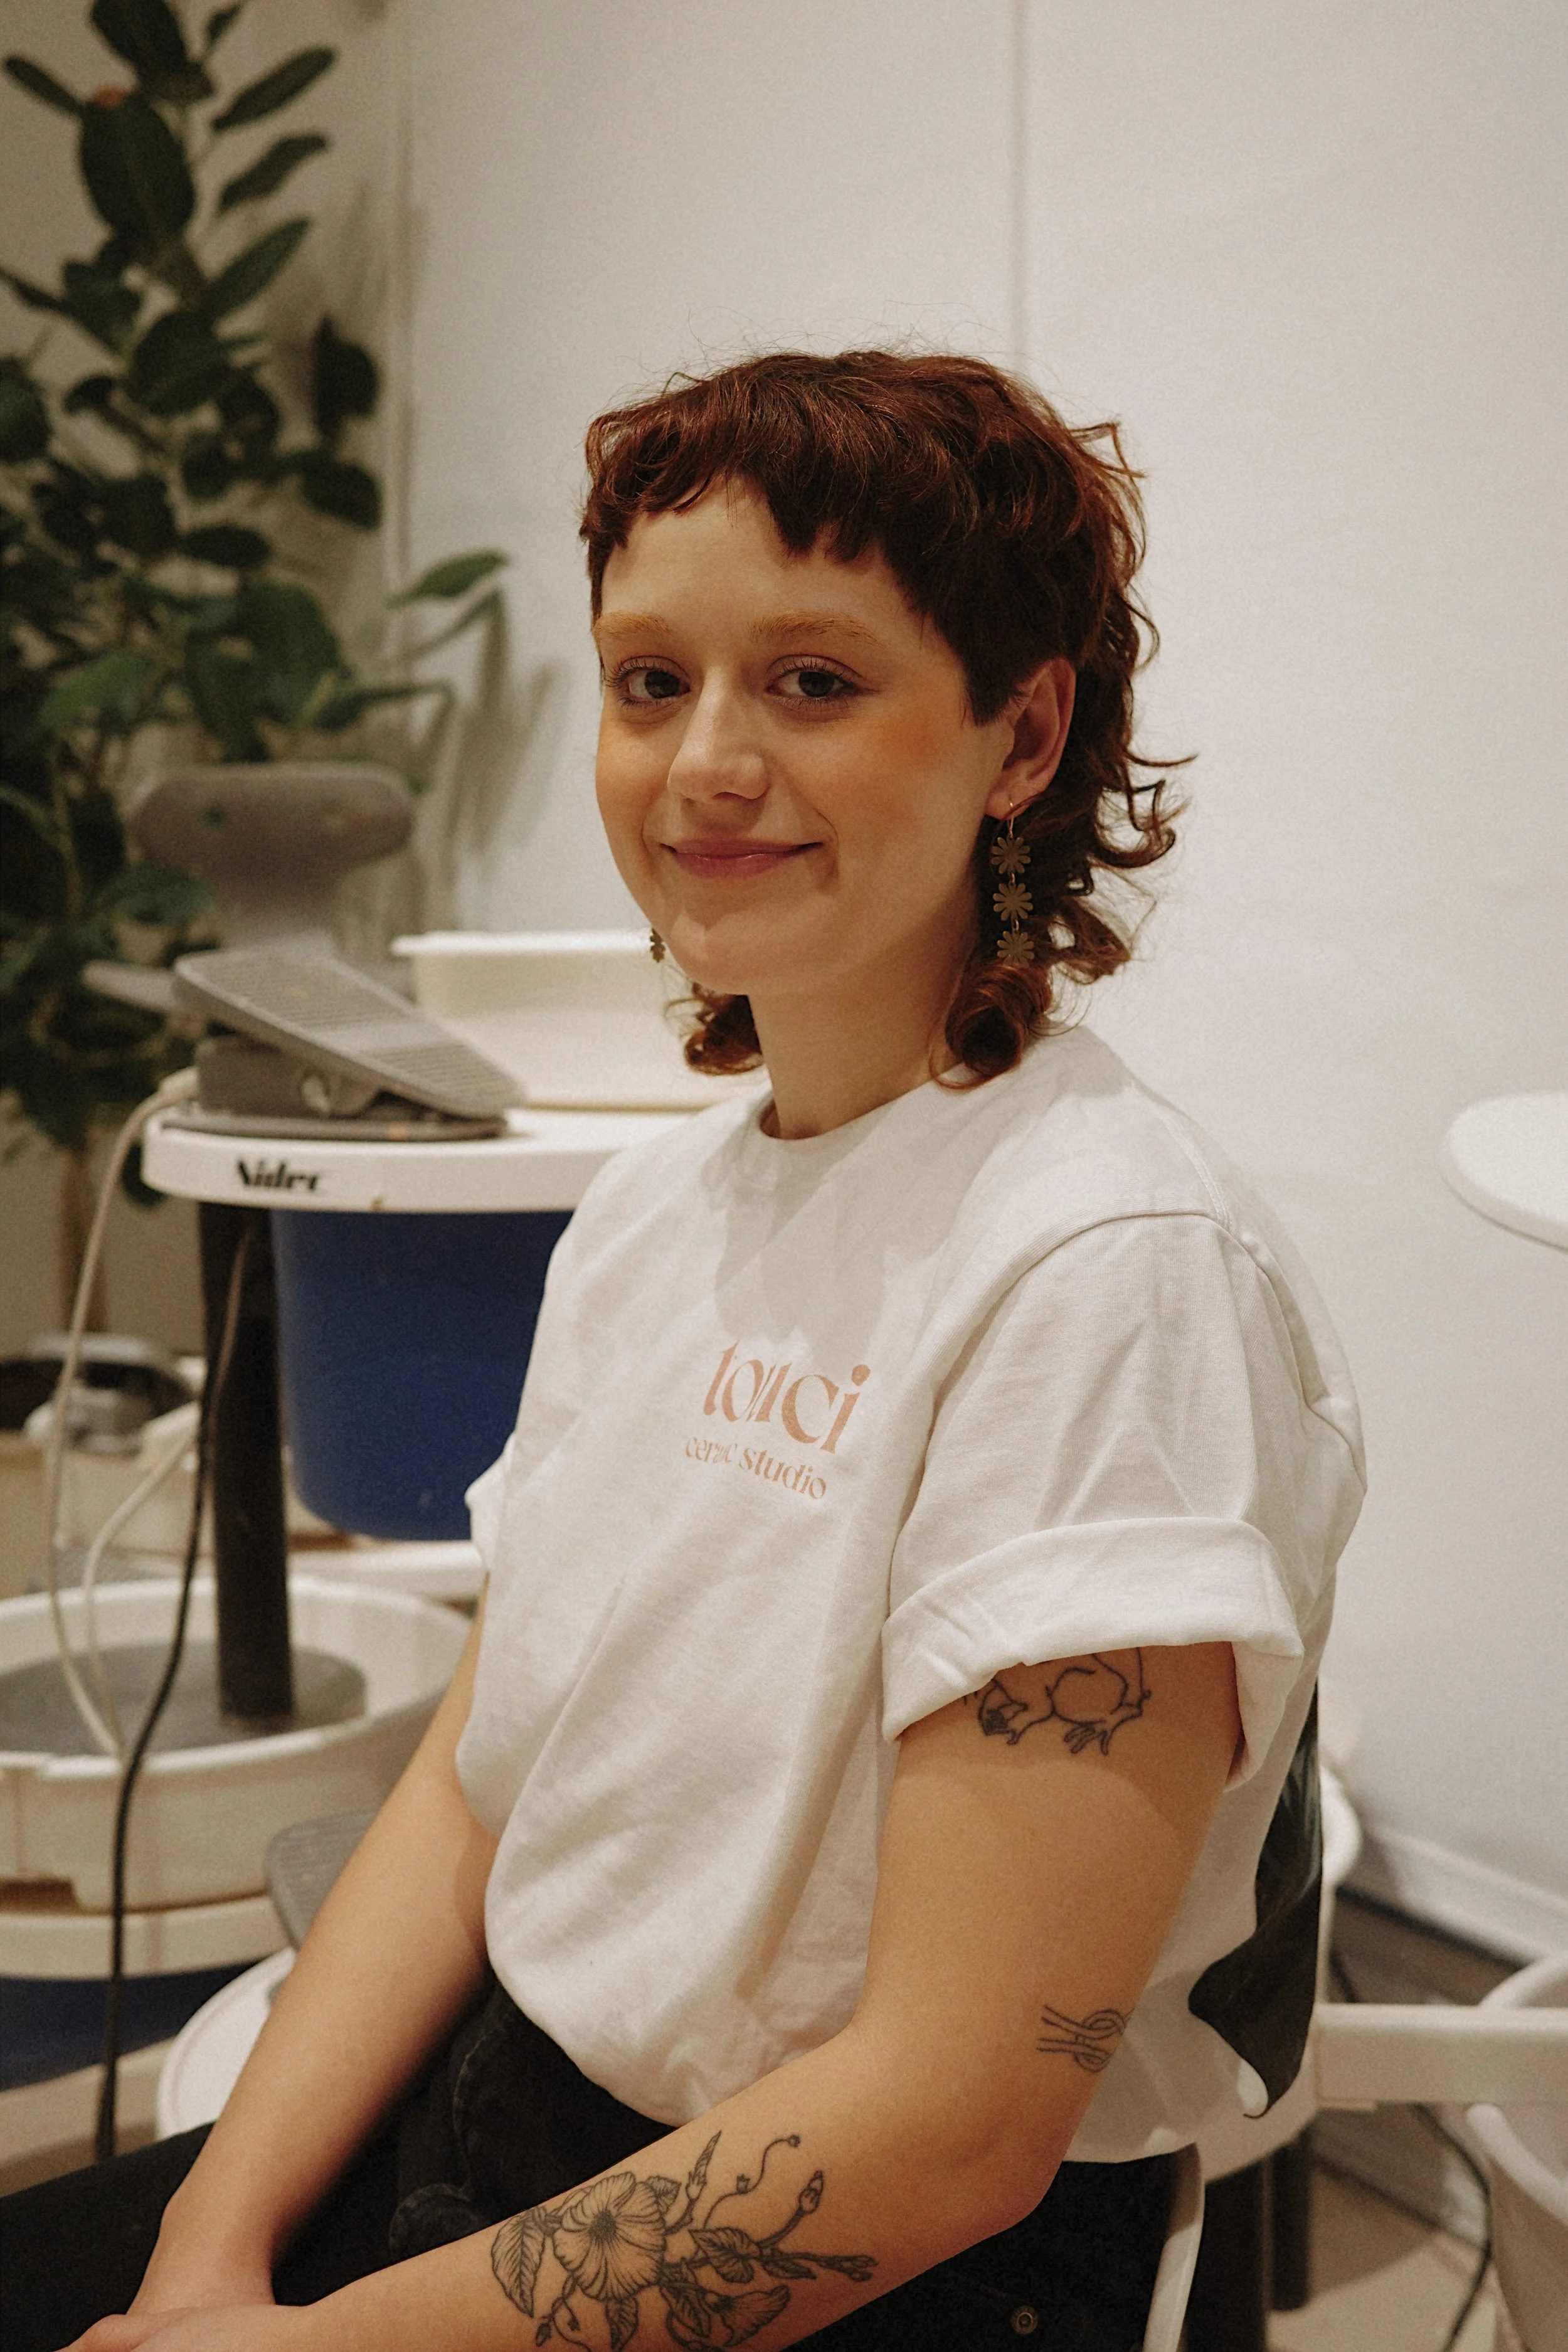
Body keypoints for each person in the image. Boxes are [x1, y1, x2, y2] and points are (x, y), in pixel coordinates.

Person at [3, 349, 1363, 2352]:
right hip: (514, 2109)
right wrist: (211, 2247)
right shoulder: (659, 1208)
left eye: (812, 682)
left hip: (891, 2269)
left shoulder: (1102, 1268)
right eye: (652, 683)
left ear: (1021, 731)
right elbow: (484, 1779)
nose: (705, 761)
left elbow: (949, 2125)